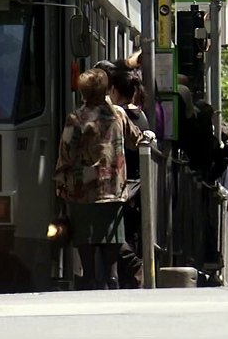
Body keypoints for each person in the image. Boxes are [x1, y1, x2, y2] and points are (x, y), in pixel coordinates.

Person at [54, 68, 151, 290]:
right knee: (112, 234)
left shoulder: (76, 118)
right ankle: (112, 276)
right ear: (107, 89)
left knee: (85, 234)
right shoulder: (118, 114)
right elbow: (134, 139)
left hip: (83, 188)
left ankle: (88, 276)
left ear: (83, 93)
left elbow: (66, 152)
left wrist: (60, 181)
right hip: (113, 187)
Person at [107, 65, 153, 288]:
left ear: (114, 90)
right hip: (137, 183)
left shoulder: (120, 115)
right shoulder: (140, 115)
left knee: (116, 233)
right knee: (130, 234)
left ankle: (134, 269)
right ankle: (131, 278)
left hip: (123, 183)